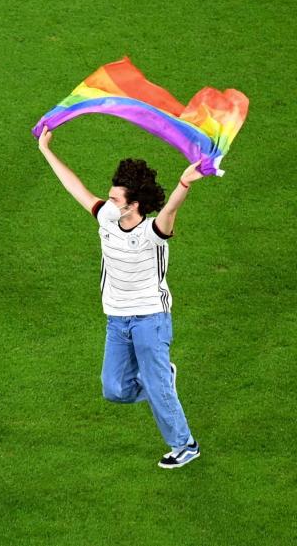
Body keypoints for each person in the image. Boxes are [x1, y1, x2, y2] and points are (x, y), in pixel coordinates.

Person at [37, 125, 203, 469]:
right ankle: (161, 381)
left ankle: (185, 444)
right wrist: (46, 151)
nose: (109, 201)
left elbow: (171, 209)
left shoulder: (153, 232)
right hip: (116, 319)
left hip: (150, 320)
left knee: (156, 387)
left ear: (135, 204)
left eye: (115, 198)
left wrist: (184, 182)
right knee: (115, 389)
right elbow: (74, 187)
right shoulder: (108, 218)